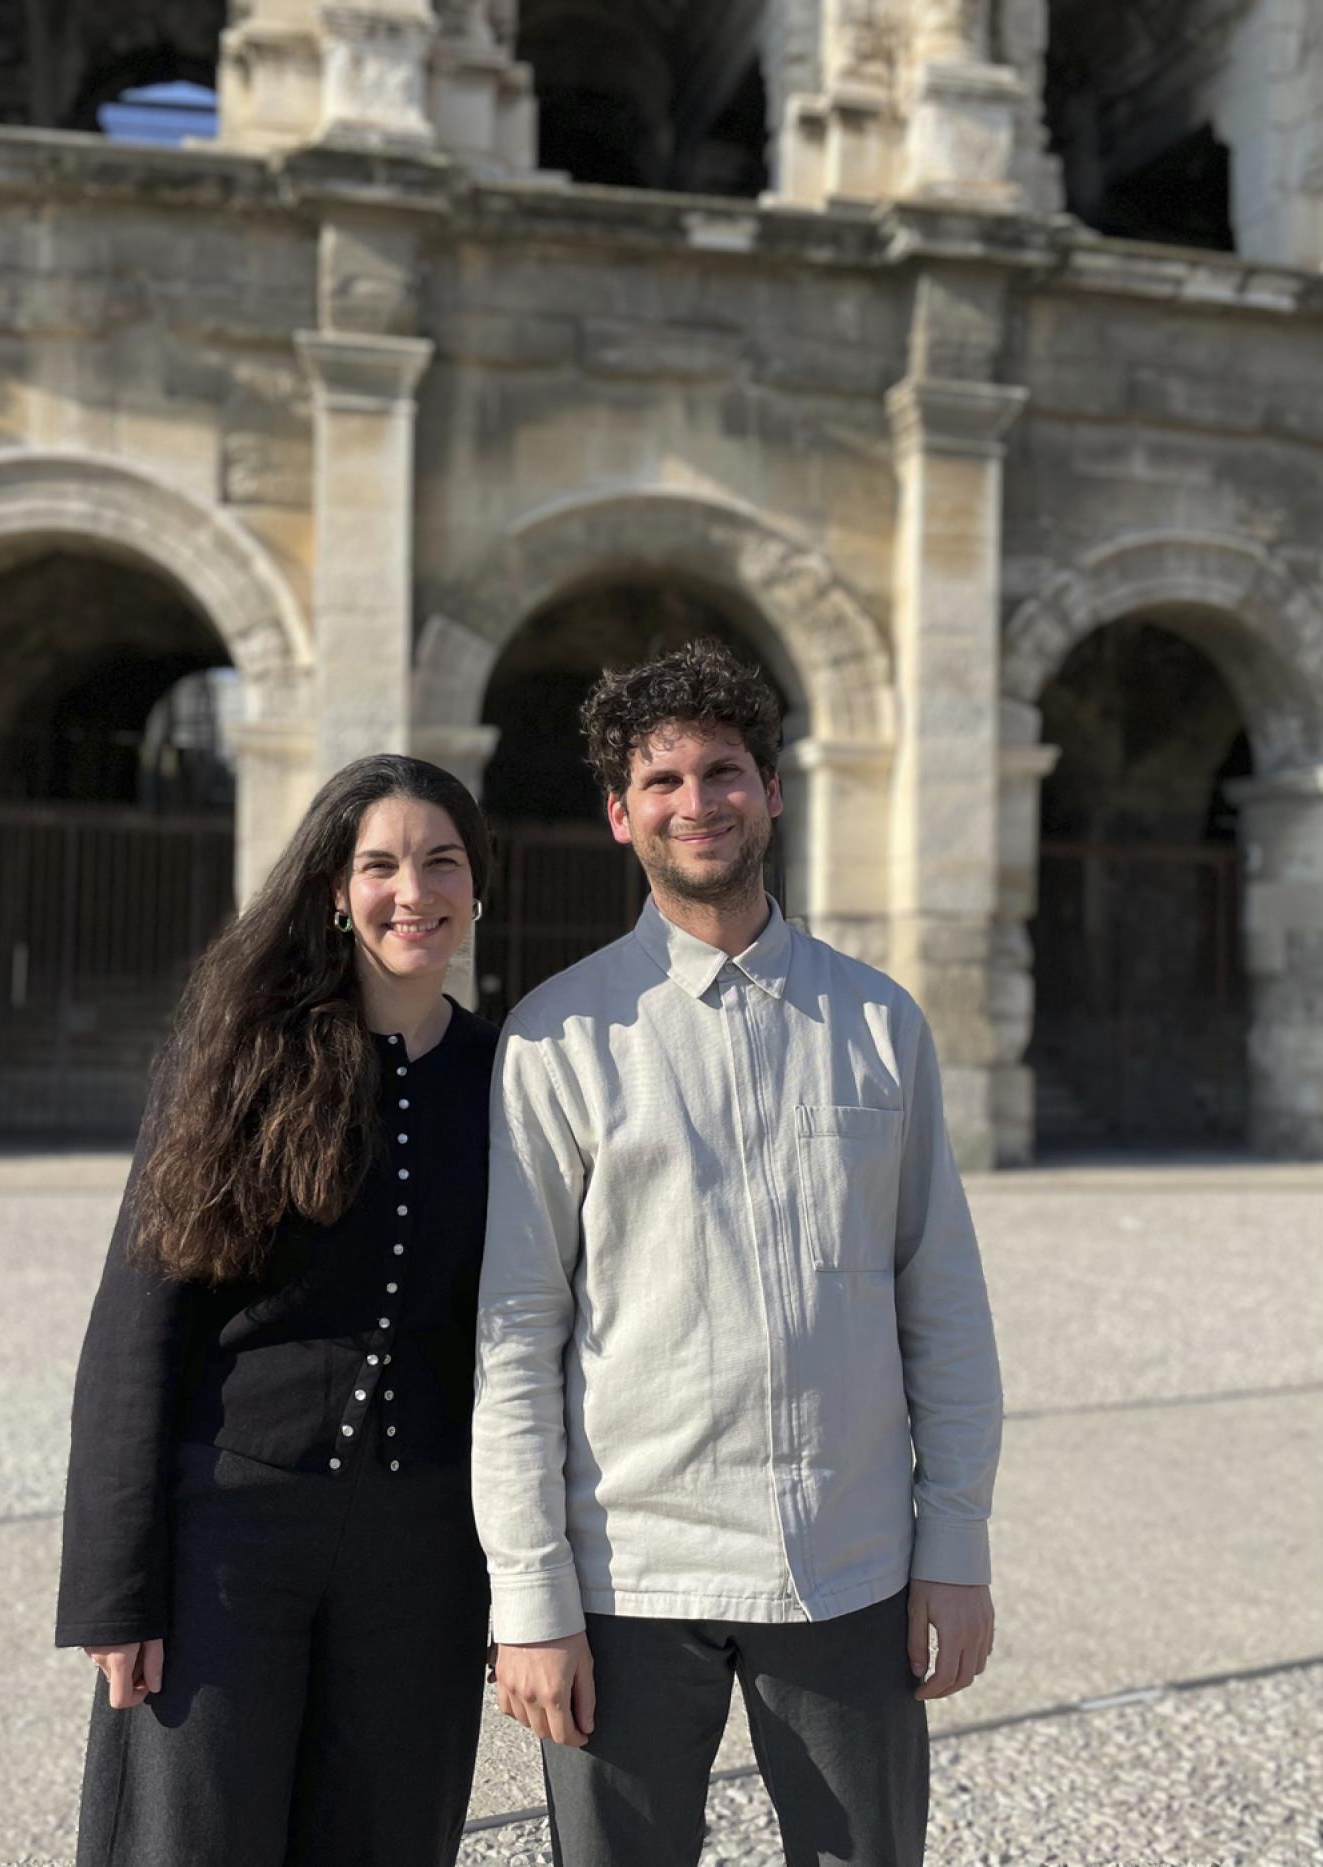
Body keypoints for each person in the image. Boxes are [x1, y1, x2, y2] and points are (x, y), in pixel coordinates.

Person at [472, 640, 1003, 1867]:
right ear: (619, 815)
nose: (694, 801)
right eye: (659, 782)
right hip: (626, 1573)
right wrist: (529, 1597)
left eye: (721, 771)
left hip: (849, 1563)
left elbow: (943, 1302)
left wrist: (956, 1543)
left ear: (772, 789)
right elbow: (514, 1341)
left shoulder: (879, 1020)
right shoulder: (556, 1038)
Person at [56, 754, 498, 1867]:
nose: (414, 891)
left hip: (423, 1547)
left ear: (477, 888)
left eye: (441, 862)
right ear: (333, 891)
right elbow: (136, 1326)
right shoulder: (237, 1062)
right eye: (381, 864)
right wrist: (118, 1588)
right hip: (227, 1538)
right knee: (191, 1844)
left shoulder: (510, 1077)